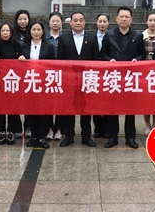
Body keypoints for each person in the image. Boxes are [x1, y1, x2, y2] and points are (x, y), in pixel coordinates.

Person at [100, 6, 146, 149]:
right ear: (116, 19)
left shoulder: (137, 35)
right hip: (113, 77)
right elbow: (103, 54)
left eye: (127, 17)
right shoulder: (109, 34)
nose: (124, 19)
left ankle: (130, 137)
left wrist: (137, 60)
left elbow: (142, 54)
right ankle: (112, 137)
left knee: (130, 108)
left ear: (131, 19)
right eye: (121, 16)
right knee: (112, 108)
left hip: (130, 77)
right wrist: (109, 60)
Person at [57, 11, 100, 147]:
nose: (78, 22)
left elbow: (96, 60)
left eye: (81, 20)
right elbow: (60, 60)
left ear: (84, 22)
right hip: (69, 79)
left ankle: (86, 136)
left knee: (86, 109)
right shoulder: (63, 38)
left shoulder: (92, 37)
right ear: (70, 23)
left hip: (87, 79)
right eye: (75, 20)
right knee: (69, 108)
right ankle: (69, 136)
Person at [20, 20, 55, 149]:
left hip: (44, 83)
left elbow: (53, 64)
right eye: (33, 29)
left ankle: (42, 136)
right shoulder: (23, 46)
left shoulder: (49, 46)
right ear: (30, 31)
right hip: (29, 82)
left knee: (43, 111)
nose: (36, 32)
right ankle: (34, 136)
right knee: (31, 110)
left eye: (38, 29)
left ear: (43, 31)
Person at [0, 22, 23, 145]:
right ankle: (1, 131)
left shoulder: (17, 45)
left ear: (11, 32)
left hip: (12, 82)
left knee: (13, 107)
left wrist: (22, 59)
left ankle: (11, 131)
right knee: (0, 108)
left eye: (7, 31)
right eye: (3, 30)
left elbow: (23, 59)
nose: (5, 33)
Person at [142, 12, 155, 134]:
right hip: (144, 72)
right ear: (146, 22)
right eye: (150, 20)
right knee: (146, 100)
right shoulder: (141, 36)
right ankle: (147, 124)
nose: (152, 23)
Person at [45, 11, 64, 141]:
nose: (55, 23)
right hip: (47, 75)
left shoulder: (66, 38)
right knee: (48, 103)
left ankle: (58, 128)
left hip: (63, 75)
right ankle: (49, 128)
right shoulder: (44, 38)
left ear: (61, 22)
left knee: (60, 104)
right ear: (49, 22)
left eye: (57, 21)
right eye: (53, 21)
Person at [94, 13, 110, 138]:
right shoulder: (91, 36)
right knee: (95, 101)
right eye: (100, 21)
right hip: (94, 73)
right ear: (96, 23)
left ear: (108, 23)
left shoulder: (112, 36)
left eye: (105, 21)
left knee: (107, 101)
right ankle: (98, 128)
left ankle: (107, 128)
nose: (102, 24)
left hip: (108, 73)